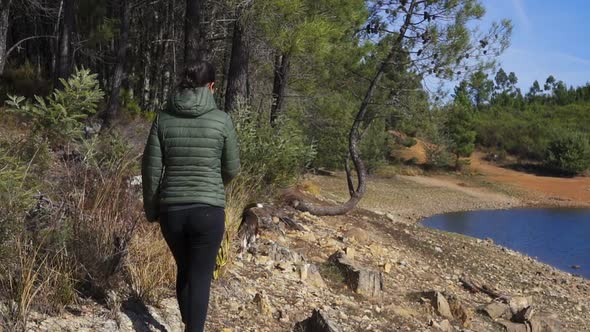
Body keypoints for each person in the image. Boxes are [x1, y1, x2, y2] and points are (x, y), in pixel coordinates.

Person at [141, 60, 240, 332]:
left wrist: (152, 210)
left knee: (185, 268)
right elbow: (232, 168)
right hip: (208, 212)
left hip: (172, 212)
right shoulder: (222, 120)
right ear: (211, 86)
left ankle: (188, 323)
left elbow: (150, 171)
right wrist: (213, 186)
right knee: (199, 277)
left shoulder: (163, 118)